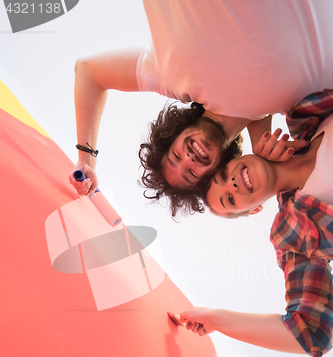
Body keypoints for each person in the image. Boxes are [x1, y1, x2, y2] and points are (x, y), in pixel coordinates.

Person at [70, 0, 333, 215]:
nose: (189, 160)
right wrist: (261, 159)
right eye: (191, 175)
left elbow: (89, 72)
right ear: (217, 171)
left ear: (174, 134)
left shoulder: (171, 77)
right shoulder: (290, 105)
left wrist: (85, 159)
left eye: (175, 157)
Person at [179, 98, 333, 357]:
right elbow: (311, 332)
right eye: (230, 199)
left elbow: (256, 88)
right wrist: (214, 318)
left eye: (224, 175)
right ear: (253, 211)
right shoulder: (295, 231)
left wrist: (259, 137)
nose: (233, 184)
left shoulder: (304, 118)